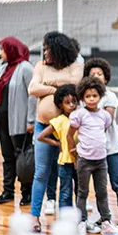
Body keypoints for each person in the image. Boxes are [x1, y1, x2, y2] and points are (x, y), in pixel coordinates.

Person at [28, 32, 83, 230]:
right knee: (41, 173)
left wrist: (48, 84)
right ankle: (34, 217)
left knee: (68, 174)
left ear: (57, 49)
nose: (44, 52)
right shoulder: (40, 66)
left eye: (47, 48)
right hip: (44, 126)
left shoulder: (76, 66)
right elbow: (33, 89)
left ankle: (69, 219)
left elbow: (74, 85)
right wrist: (57, 91)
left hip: (69, 130)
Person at [0, 37, 36, 206]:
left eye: (2, 49)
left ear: (11, 50)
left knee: (23, 158)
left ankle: (27, 193)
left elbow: (33, 96)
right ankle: (8, 191)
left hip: (20, 123)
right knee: (7, 157)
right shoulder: (3, 69)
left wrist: (31, 120)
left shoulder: (25, 68)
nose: (0, 53)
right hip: (3, 122)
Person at [85, 57, 118, 227]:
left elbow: (107, 121)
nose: (96, 76)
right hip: (93, 151)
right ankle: (105, 216)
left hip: (110, 149)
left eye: (100, 73)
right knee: (99, 186)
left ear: (106, 78)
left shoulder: (109, 96)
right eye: (92, 74)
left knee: (117, 182)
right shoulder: (85, 98)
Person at [68, 76, 112, 235]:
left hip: (101, 161)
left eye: (94, 96)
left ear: (100, 95)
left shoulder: (105, 116)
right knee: (82, 192)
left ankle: (106, 221)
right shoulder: (79, 114)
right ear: (82, 97)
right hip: (84, 161)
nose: (91, 99)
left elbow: (103, 131)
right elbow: (69, 135)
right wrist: (74, 154)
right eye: (88, 96)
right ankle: (81, 221)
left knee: (102, 192)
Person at [36, 85, 79, 219]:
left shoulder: (80, 118)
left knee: (80, 191)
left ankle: (79, 218)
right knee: (65, 192)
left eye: (74, 102)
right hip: (65, 162)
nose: (71, 105)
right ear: (60, 105)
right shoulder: (59, 121)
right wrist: (56, 143)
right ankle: (65, 219)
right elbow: (41, 136)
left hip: (80, 161)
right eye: (67, 103)